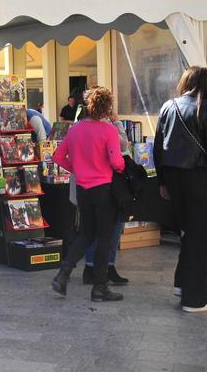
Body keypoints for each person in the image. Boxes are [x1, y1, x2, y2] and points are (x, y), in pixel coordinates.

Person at [155, 66, 207, 313]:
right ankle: (195, 299)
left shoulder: (168, 106)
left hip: (174, 179)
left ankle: (181, 283)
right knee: (199, 237)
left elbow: (158, 148)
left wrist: (162, 182)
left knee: (188, 233)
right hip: (198, 179)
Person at [50, 86, 125, 303]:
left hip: (83, 189)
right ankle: (100, 288)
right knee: (104, 238)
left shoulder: (75, 129)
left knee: (86, 234)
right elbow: (116, 162)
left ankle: (63, 273)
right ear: (107, 107)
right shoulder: (108, 130)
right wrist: (119, 168)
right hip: (103, 189)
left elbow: (57, 156)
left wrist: (77, 169)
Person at [82, 111, 130, 286]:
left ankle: (91, 268)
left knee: (92, 227)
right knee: (112, 227)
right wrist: (117, 122)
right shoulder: (106, 126)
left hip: (86, 184)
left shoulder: (80, 126)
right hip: (108, 182)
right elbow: (123, 146)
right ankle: (105, 268)